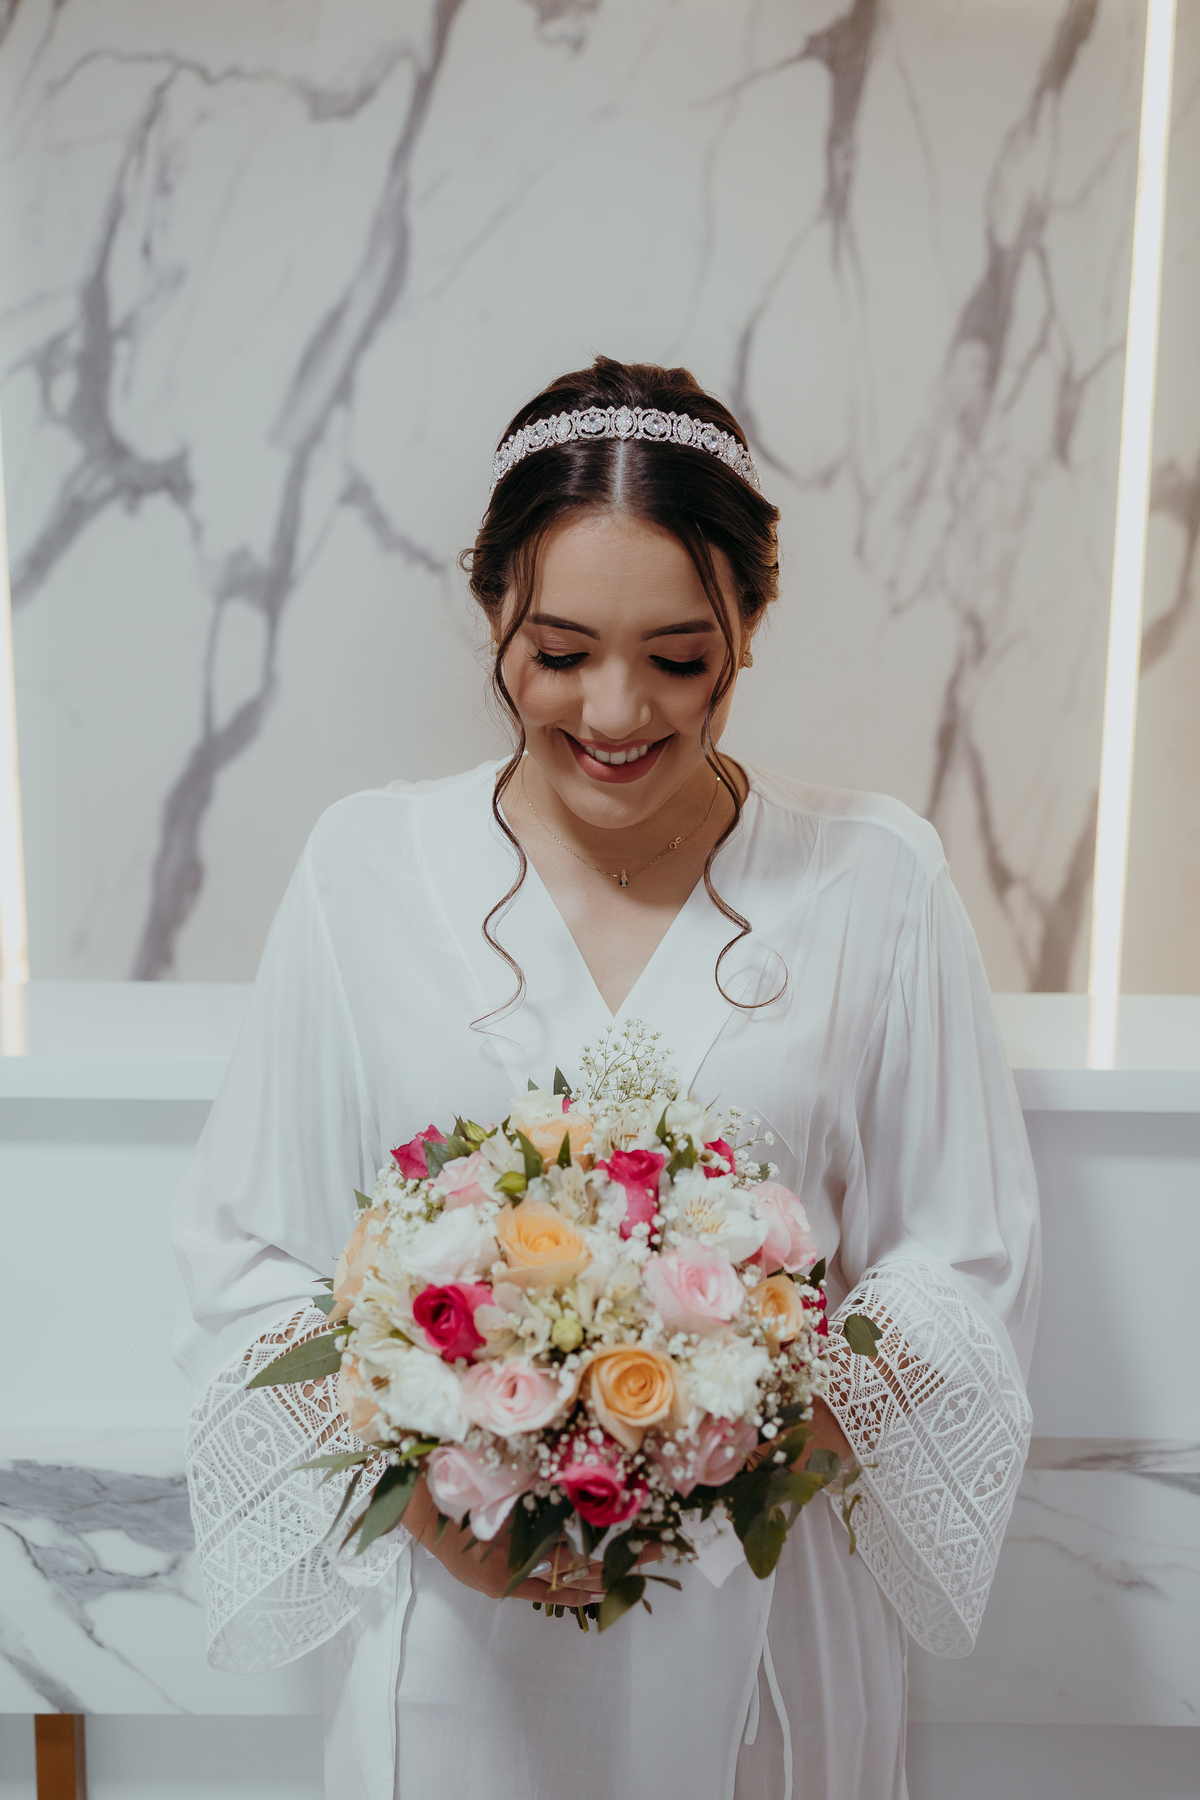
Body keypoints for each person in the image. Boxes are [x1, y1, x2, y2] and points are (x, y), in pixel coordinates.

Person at [171, 356, 1040, 1800]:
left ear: (750, 629)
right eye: (561, 652)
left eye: (679, 659)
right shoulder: (364, 870)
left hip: (767, 1630)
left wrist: (735, 1444)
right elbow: (249, 1255)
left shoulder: (877, 880)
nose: (617, 712)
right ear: (491, 616)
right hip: (459, 1646)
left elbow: (962, 1258)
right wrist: (432, 1491)